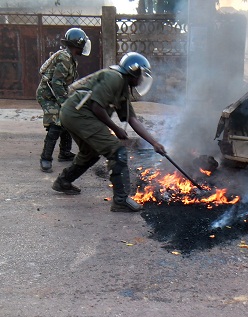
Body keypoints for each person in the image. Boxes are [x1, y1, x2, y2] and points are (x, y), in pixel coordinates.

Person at [51, 52, 166, 212]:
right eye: (141, 76)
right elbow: (97, 107)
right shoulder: (115, 78)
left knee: (90, 153)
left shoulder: (123, 89)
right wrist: (116, 128)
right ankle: (120, 200)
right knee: (116, 150)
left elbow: (133, 120)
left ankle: (63, 181)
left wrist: (154, 143)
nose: (141, 81)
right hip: (79, 114)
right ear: (133, 71)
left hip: (73, 114)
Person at [37, 27, 91, 173]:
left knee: (67, 120)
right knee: (56, 123)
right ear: (77, 45)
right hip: (48, 95)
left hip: (57, 93)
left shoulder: (70, 59)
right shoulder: (65, 58)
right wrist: (65, 102)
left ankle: (64, 153)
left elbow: (66, 83)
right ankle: (45, 159)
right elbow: (56, 83)